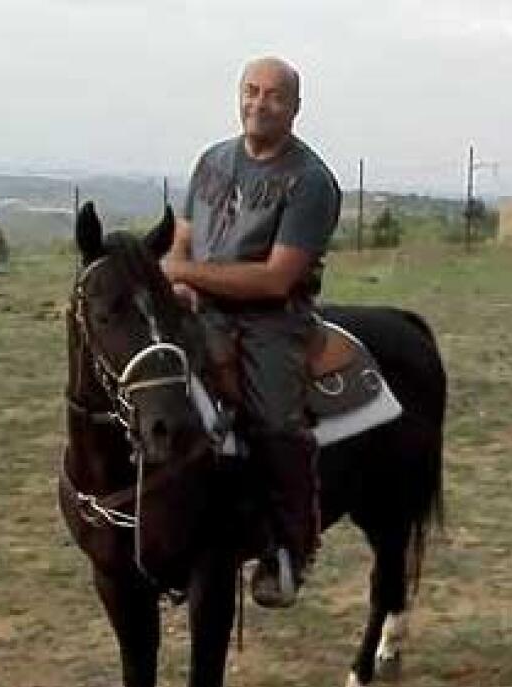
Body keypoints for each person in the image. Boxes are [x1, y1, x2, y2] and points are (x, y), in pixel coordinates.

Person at [161, 56, 341, 608]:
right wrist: (179, 280)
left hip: (271, 319)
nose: (259, 104)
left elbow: (274, 278)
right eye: (251, 91)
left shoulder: (310, 181)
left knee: (275, 420)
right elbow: (182, 241)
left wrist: (184, 274)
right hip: (201, 306)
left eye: (274, 96)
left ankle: (289, 547)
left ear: (294, 108)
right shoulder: (212, 162)